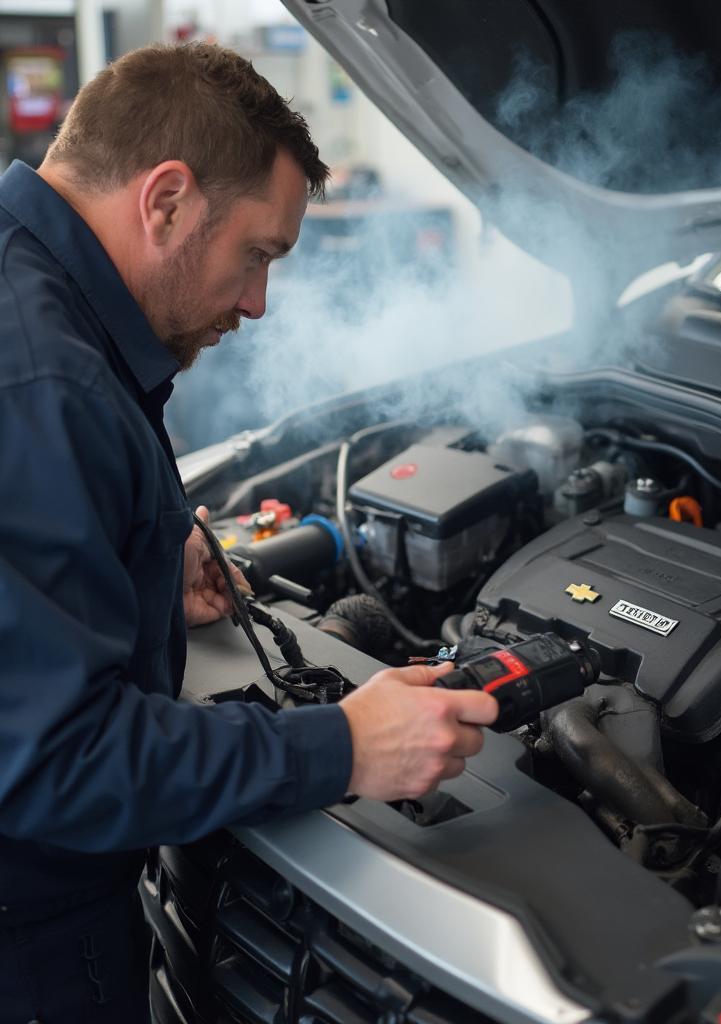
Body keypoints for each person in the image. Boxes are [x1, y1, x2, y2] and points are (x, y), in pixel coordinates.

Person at [0, 42, 497, 1022]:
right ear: (168, 200)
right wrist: (339, 747)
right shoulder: (42, 385)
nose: (258, 303)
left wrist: (143, 549)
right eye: (258, 254)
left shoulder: (32, 306)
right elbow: (54, 763)